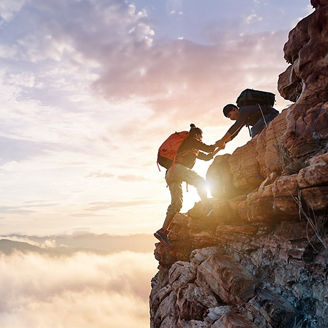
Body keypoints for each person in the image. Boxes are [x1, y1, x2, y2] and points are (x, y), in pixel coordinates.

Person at [154, 124, 222, 247]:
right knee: (200, 182)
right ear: (197, 135)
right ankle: (207, 207)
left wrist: (219, 149)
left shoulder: (191, 148)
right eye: (200, 137)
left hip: (170, 173)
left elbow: (207, 157)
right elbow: (208, 149)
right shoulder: (191, 140)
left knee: (177, 203)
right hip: (178, 170)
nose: (201, 139)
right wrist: (220, 142)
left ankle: (162, 230)